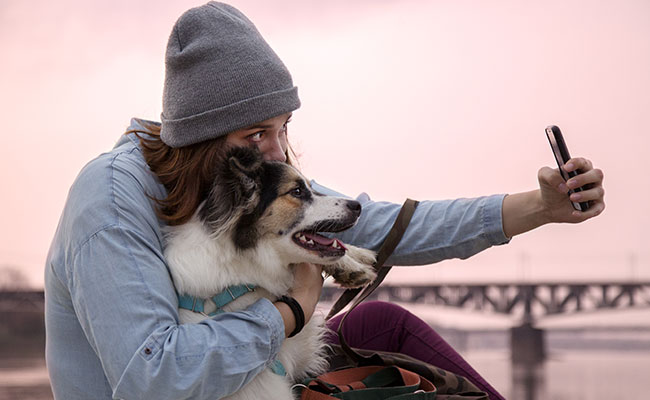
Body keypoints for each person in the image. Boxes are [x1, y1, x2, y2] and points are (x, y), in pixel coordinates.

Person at [44, 2, 605, 400]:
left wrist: (541, 207)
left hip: (252, 378)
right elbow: (152, 379)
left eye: (282, 128)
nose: (277, 150)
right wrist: (290, 311)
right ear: (203, 136)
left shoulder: (239, 180)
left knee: (381, 324)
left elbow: (386, 228)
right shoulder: (113, 202)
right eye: (256, 134)